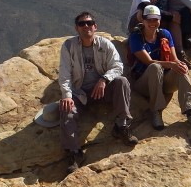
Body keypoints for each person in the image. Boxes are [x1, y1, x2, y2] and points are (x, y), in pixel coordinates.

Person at [58, 11, 137, 173]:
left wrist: (104, 80)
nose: (86, 26)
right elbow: (64, 73)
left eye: (89, 23)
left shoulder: (105, 44)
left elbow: (117, 66)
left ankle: (121, 126)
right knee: (66, 108)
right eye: (82, 24)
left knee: (122, 81)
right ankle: (74, 152)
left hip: (102, 91)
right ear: (76, 28)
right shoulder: (68, 46)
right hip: (80, 92)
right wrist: (66, 95)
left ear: (95, 26)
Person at [128, 5, 191, 132]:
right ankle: (156, 111)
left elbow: (174, 59)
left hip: (164, 81)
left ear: (160, 20)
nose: (153, 23)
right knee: (155, 67)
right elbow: (148, 61)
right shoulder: (136, 37)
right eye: (149, 19)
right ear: (143, 20)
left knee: (180, 68)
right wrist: (171, 65)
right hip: (144, 83)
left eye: (156, 19)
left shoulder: (165, 34)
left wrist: (179, 64)